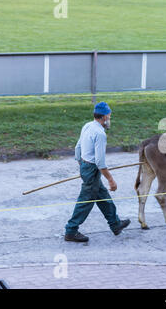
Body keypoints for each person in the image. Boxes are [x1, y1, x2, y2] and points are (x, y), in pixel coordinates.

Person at [64, 102, 130, 242]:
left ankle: (115, 224)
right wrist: (111, 180)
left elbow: (78, 147)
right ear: (105, 117)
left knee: (103, 196)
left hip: (85, 165)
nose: (110, 119)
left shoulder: (87, 125)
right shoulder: (100, 134)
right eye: (110, 116)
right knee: (86, 201)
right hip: (92, 169)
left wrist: (81, 163)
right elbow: (100, 162)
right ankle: (71, 231)